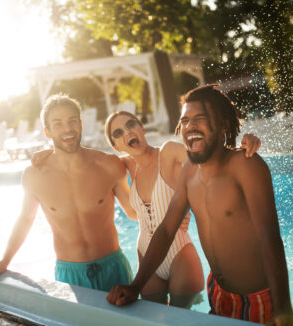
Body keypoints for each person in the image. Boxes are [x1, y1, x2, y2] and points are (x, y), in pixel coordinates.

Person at [107, 85, 292, 325]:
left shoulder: (246, 166)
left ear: (224, 124)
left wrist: (283, 306)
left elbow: (270, 237)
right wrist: (135, 286)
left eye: (200, 118)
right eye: (184, 121)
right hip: (218, 292)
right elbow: (165, 230)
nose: (190, 126)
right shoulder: (188, 172)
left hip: (257, 297)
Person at [104, 109, 260, 308]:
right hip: (145, 252)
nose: (127, 133)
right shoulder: (125, 165)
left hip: (179, 253)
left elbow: (209, 164)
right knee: (152, 318)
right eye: (117, 133)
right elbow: (134, 213)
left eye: (130, 125)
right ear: (116, 146)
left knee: (181, 318)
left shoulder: (168, 152)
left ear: (142, 128)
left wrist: (238, 149)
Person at [0, 94, 136, 292]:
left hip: (113, 268)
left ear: (81, 124)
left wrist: (169, 221)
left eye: (72, 121)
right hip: (69, 274)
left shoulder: (108, 165)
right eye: (58, 124)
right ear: (47, 132)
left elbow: (133, 212)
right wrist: (5, 260)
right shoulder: (34, 175)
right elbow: (26, 219)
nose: (68, 129)